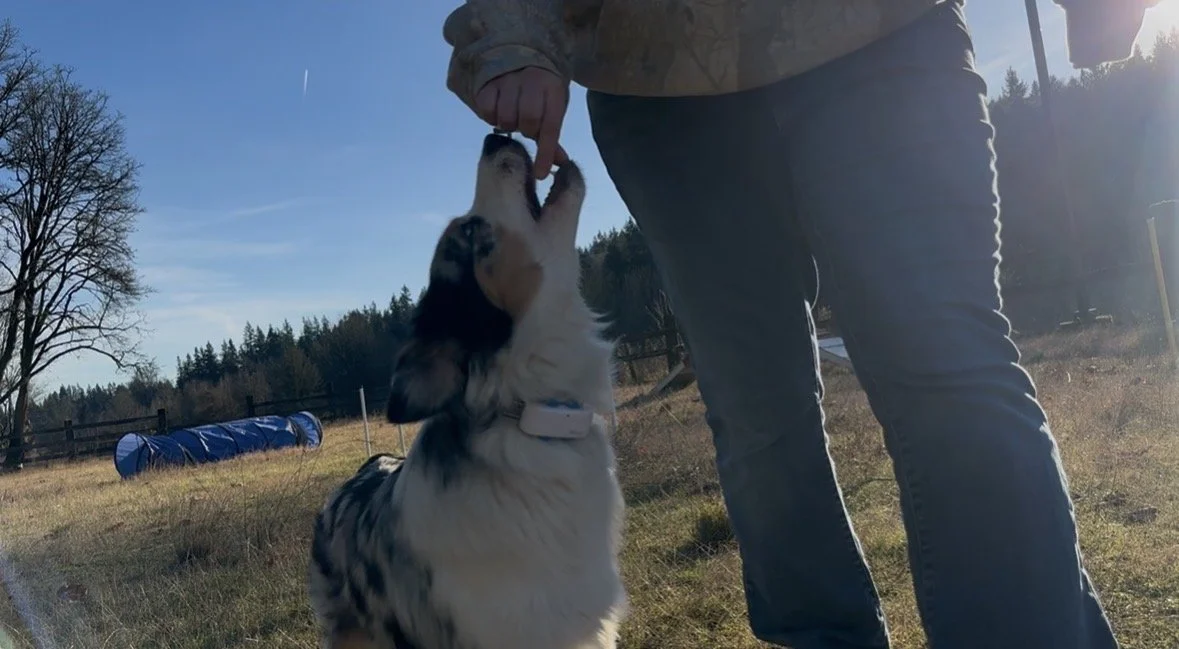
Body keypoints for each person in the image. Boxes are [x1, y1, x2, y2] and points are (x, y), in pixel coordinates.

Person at [441, 1, 1151, 647]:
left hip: (884, 34)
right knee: (757, 414)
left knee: (950, 367)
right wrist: (509, 37)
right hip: (663, 85)